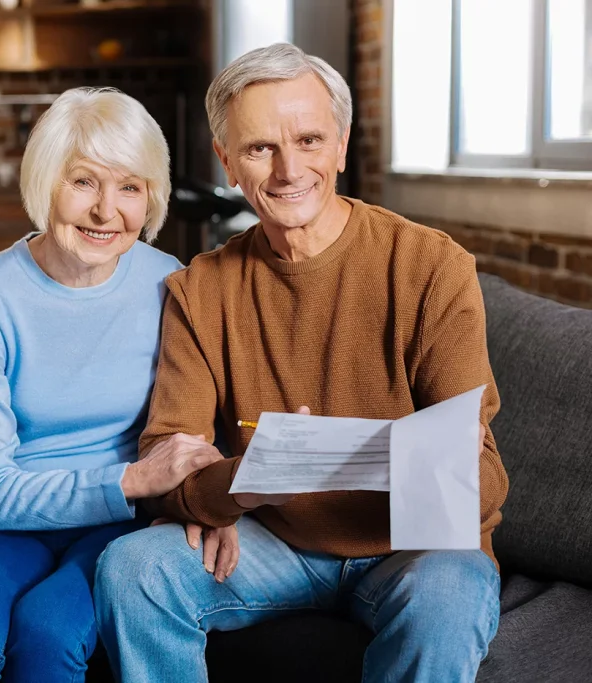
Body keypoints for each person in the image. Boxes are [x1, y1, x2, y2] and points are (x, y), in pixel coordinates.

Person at [94, 43, 509, 683]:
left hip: (412, 549)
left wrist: (398, 457)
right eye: (260, 148)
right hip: (269, 543)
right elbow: (168, 470)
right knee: (133, 568)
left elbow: (484, 485)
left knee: (449, 595)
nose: (289, 169)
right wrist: (237, 489)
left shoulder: (432, 268)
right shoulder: (199, 290)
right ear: (228, 163)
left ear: (341, 146)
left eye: (309, 140)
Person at [0, 87, 221, 683]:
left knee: (49, 632)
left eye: (129, 187)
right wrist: (132, 480)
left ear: (150, 199)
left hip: (122, 524)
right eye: (83, 182)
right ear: (45, 182)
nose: (106, 212)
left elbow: (198, 422)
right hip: (10, 523)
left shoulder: (172, 286)